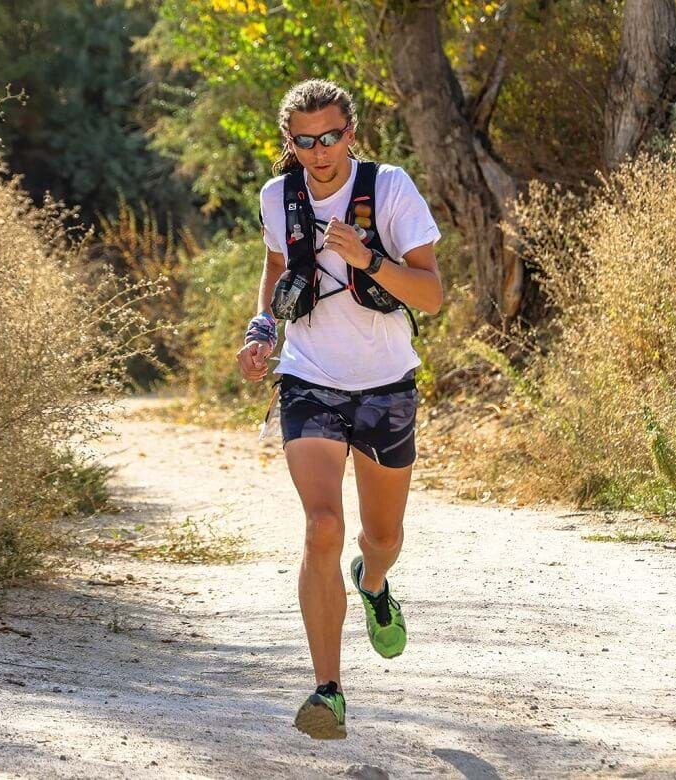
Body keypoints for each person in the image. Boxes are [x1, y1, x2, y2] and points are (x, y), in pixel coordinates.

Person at [235, 79, 443, 740]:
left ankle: (373, 584)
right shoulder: (278, 197)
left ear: (350, 134)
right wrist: (262, 329)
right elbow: (275, 265)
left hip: (386, 383)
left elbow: (432, 295)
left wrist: (369, 258)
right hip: (310, 380)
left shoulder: (390, 189)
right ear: (289, 144)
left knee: (380, 540)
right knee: (322, 524)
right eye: (305, 140)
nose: (319, 151)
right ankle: (328, 692)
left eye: (331, 137)